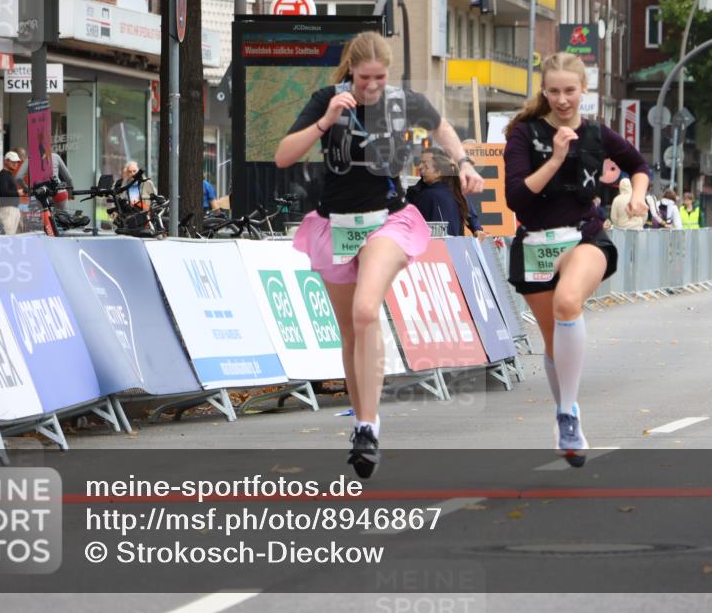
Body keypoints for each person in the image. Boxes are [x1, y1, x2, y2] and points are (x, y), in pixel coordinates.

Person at [275, 31, 483, 477]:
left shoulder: (400, 101)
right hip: (335, 224)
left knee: (368, 311)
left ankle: (368, 426)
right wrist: (325, 121)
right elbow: (282, 156)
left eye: (380, 77)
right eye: (365, 77)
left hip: (386, 220)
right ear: (351, 69)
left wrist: (463, 163)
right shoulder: (327, 99)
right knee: (350, 333)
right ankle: (361, 423)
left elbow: (441, 125)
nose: (371, 85)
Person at [503, 51, 650, 465]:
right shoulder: (523, 133)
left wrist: (637, 195)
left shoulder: (596, 133)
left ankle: (567, 412)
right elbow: (516, 197)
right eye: (554, 91)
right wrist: (553, 158)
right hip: (534, 244)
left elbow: (638, 165)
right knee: (553, 344)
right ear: (544, 91)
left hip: (585, 238)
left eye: (570, 91)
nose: (562, 100)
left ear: (583, 90)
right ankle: (568, 415)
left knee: (569, 302)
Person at [406, 147, 486, 239]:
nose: (419, 167)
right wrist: (477, 228)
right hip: (456, 250)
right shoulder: (456, 192)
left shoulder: (426, 196)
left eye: (425, 165)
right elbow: (470, 213)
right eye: (420, 163)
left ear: (439, 172)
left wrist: (477, 228)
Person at [0, 151, 25, 234]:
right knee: (8, 236)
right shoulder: (2, 175)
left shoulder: (9, 174)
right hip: (7, 210)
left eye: (17, 162)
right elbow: (3, 192)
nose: (15, 164)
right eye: (13, 161)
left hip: (13, 209)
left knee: (17, 236)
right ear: (6, 161)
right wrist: (17, 193)